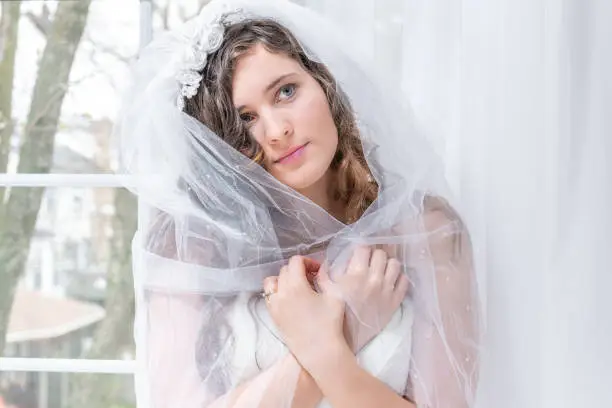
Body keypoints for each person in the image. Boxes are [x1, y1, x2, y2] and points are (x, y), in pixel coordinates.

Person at [117, 0, 481, 407]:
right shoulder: (190, 249)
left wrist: (327, 348)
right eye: (245, 119)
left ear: (325, 84)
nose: (276, 131)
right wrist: (347, 324)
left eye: (286, 91)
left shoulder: (426, 232)